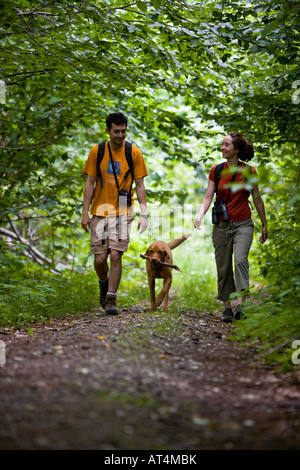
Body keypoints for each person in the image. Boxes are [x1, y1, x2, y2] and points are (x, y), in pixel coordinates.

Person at [193, 132, 268, 323]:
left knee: (240, 261)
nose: (222, 148)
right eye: (222, 144)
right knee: (224, 266)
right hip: (221, 225)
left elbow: (257, 198)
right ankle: (227, 308)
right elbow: (208, 196)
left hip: (243, 223)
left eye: (226, 145)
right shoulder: (216, 171)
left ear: (236, 149)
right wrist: (199, 215)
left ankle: (241, 305)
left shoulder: (249, 172)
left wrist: (265, 224)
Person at [81, 112, 148, 315]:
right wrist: (85, 212)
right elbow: (90, 182)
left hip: (123, 208)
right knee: (100, 260)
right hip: (100, 210)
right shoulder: (97, 151)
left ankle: (111, 299)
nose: (121, 135)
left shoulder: (133, 152)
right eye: (117, 131)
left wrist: (143, 213)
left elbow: (140, 184)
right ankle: (104, 283)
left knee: (116, 254)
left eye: (124, 131)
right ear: (108, 130)